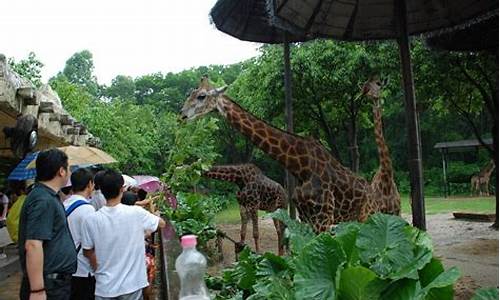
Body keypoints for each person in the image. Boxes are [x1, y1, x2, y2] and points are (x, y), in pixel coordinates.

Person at [82, 169, 166, 300]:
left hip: (104, 287)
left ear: (101, 190)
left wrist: (97, 268)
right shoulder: (136, 213)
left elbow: (87, 251)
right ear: (122, 189)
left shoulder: (91, 220)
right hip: (131, 286)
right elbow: (161, 224)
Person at [18, 148, 76, 300]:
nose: (70, 173)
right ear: (61, 171)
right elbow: (33, 244)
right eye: (68, 168)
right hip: (49, 285)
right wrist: (37, 290)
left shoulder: (48, 196)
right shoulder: (43, 200)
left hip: (54, 283)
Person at [63, 168, 96, 300]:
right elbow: (92, 244)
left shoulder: (64, 204)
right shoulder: (88, 209)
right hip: (83, 268)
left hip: (66, 267)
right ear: (89, 184)